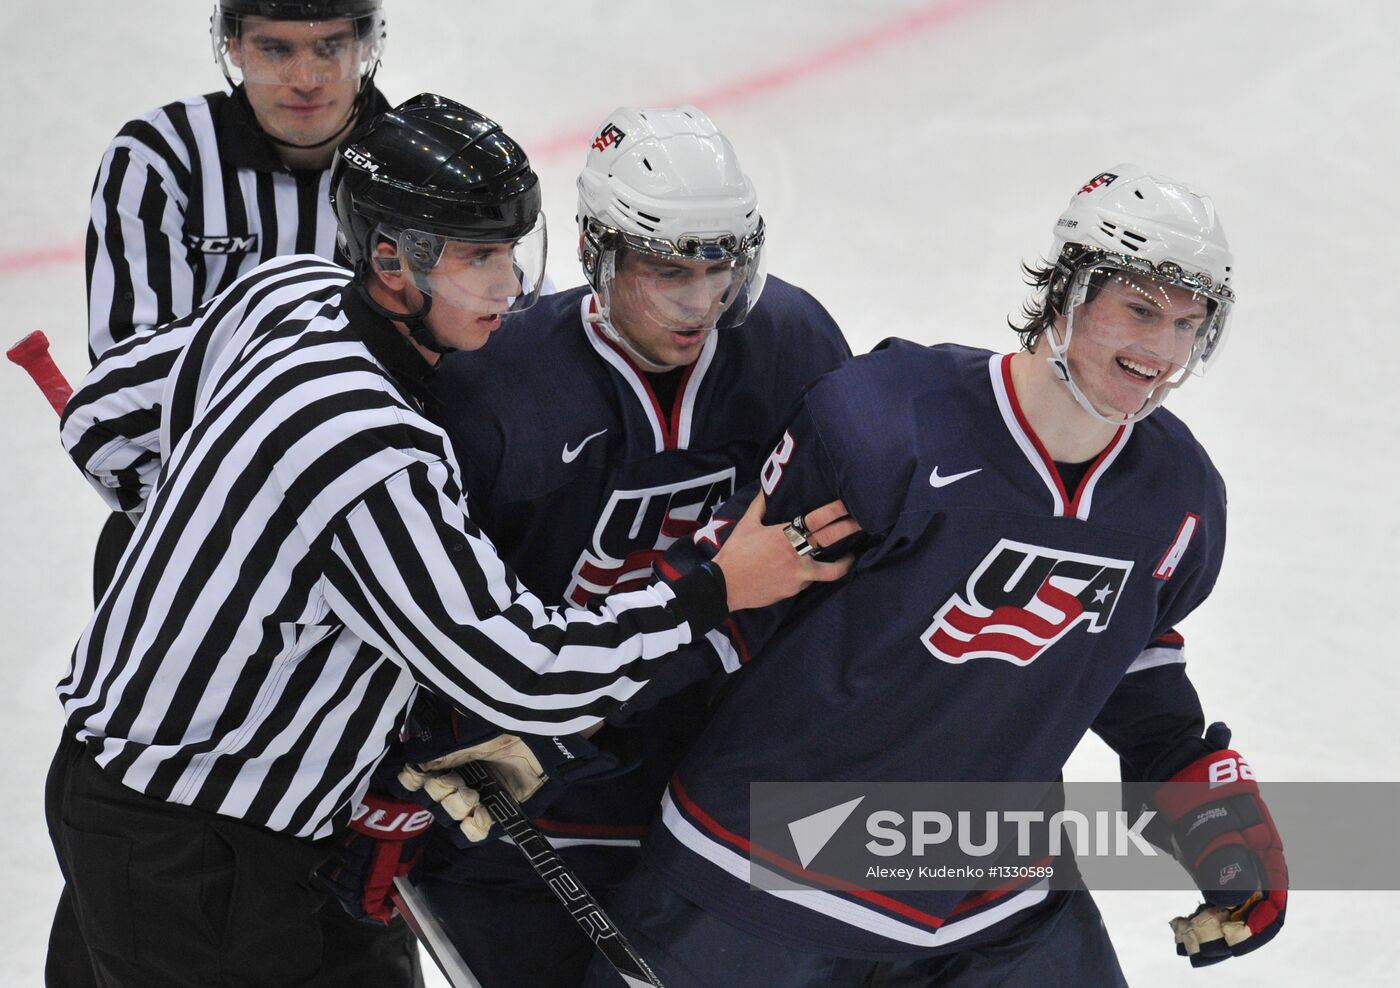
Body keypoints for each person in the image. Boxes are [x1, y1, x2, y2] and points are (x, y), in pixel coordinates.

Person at [49, 94, 854, 988]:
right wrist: (712, 587)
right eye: (478, 258)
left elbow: (107, 417)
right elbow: (525, 674)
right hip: (193, 837)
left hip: (252, 811)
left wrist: (215, 545)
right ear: (392, 261)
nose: (511, 286)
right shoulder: (365, 449)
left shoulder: (287, 294)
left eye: (513, 251)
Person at [581, 164, 1288, 986]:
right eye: (1138, 310)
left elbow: (1128, 656)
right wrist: (557, 717)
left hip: (994, 900)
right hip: (760, 868)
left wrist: (1212, 811)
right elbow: (728, 598)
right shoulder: (888, 421)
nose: (1160, 351)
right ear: (1068, 290)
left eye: (1186, 323)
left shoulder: (1179, 497)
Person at [399, 104, 851, 987]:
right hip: (533, 786)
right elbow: (434, 612)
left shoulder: (789, 345)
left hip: (721, 776)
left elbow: (832, 569)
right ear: (598, 255)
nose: (699, 301)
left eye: (719, 266)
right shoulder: (490, 382)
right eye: (665, 270)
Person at [84, 0, 393, 604]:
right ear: (232, 47)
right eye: (275, 49)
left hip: (377, 531)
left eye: (329, 47)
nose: (305, 78)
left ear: (364, 45)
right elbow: (130, 387)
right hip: (187, 526)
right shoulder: (159, 159)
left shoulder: (422, 169)